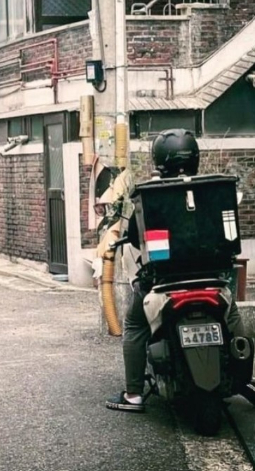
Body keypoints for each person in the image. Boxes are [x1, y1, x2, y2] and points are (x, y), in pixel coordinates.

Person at [105, 128, 246, 412]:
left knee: (134, 325)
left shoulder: (152, 196)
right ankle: (245, 378)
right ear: (195, 156)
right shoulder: (214, 189)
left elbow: (135, 235)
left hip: (163, 280)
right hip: (212, 278)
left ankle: (133, 395)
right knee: (233, 318)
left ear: (159, 160)